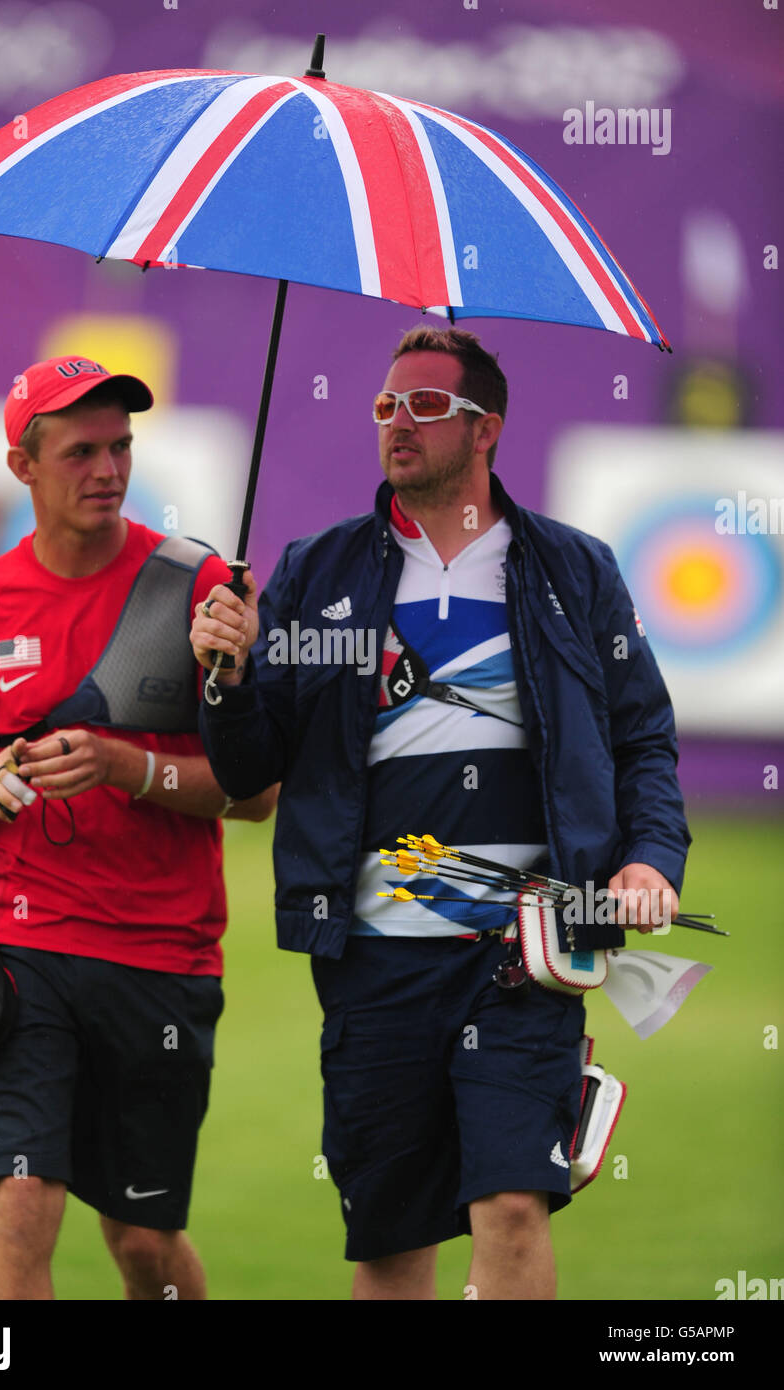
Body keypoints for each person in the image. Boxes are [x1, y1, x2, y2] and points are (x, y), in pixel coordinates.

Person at [190, 326, 690, 1301]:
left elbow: (643, 738)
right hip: (374, 960)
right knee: (390, 1239)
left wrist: (649, 857)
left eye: (424, 406)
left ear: (485, 429)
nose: (396, 424)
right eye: (385, 406)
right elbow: (250, 771)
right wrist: (229, 674)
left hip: (527, 953)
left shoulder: (573, 571)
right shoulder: (315, 573)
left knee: (511, 1203)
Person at [0, 355, 276, 1300]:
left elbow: (253, 794)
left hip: (164, 953)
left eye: (120, 448)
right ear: (22, 467)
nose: (107, 470)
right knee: (20, 1203)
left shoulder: (195, 590)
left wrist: (124, 764)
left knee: (143, 1242)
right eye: (80, 452)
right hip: (21, 944)